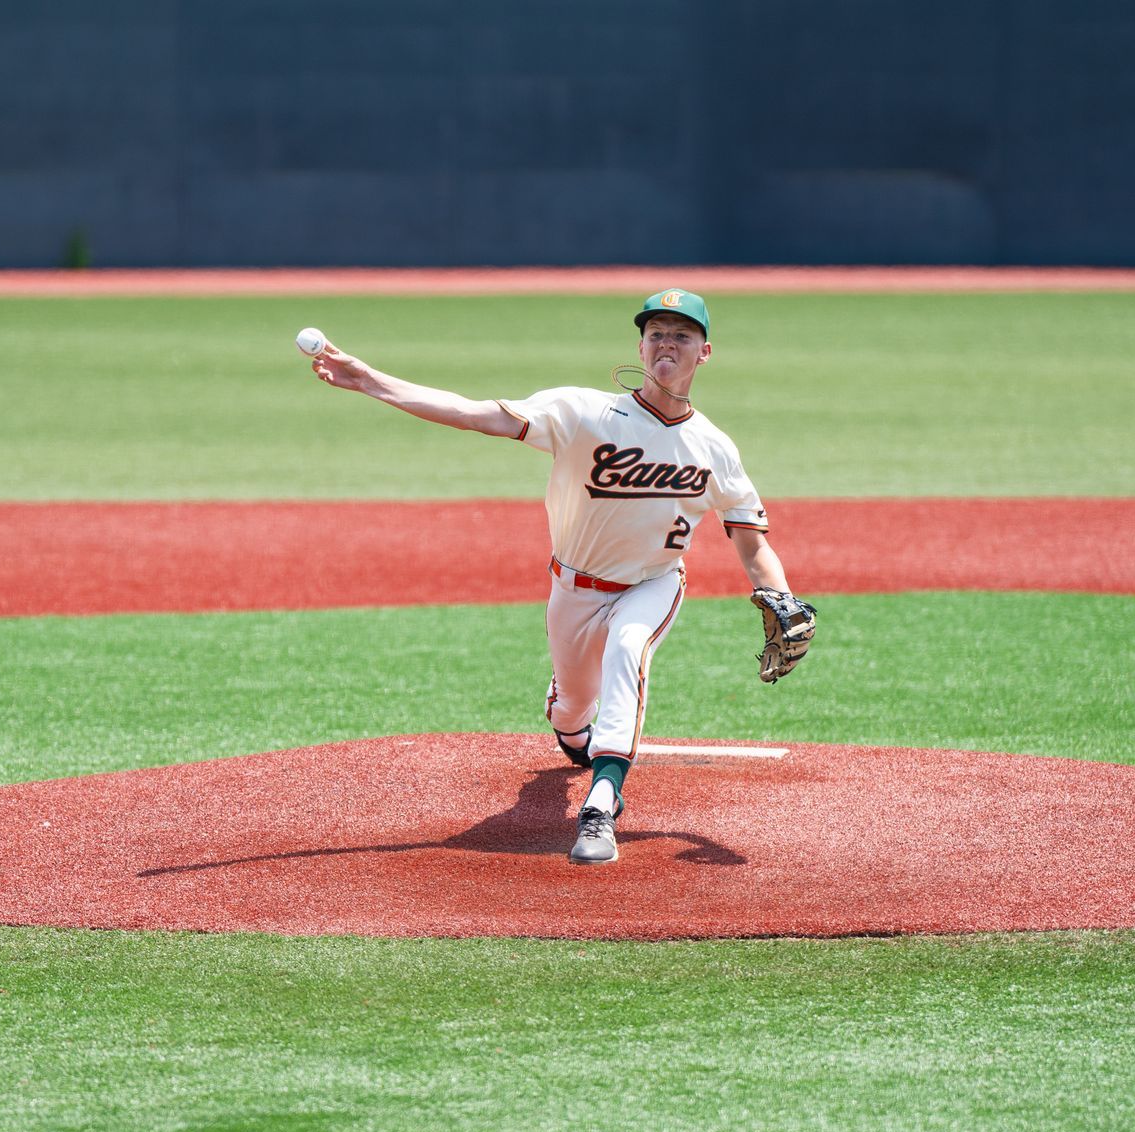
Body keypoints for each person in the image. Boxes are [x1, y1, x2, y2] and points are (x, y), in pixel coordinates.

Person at [309, 289, 807, 865]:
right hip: (573, 586)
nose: (667, 343)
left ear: (705, 351)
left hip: (653, 583)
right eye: (656, 333)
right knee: (573, 709)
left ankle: (601, 803)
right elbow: (474, 414)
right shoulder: (582, 413)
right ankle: (573, 732)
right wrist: (371, 380)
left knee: (628, 649)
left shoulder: (714, 447)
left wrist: (782, 597)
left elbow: (752, 542)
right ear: (641, 347)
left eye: (682, 335)